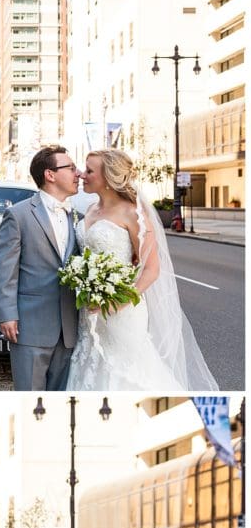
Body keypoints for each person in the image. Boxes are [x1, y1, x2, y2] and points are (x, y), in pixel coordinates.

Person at [67, 149, 219, 390]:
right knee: (89, 362)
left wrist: (118, 302)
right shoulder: (90, 210)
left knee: (126, 372)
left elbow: (151, 269)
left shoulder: (132, 215)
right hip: (89, 310)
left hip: (122, 311)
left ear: (108, 178)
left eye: (89, 171)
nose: (82, 175)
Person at [0, 144, 81, 391]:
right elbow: (4, 270)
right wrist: (6, 314)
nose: (78, 173)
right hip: (30, 327)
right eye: (71, 168)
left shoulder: (79, 218)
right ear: (50, 175)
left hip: (70, 328)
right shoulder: (18, 215)